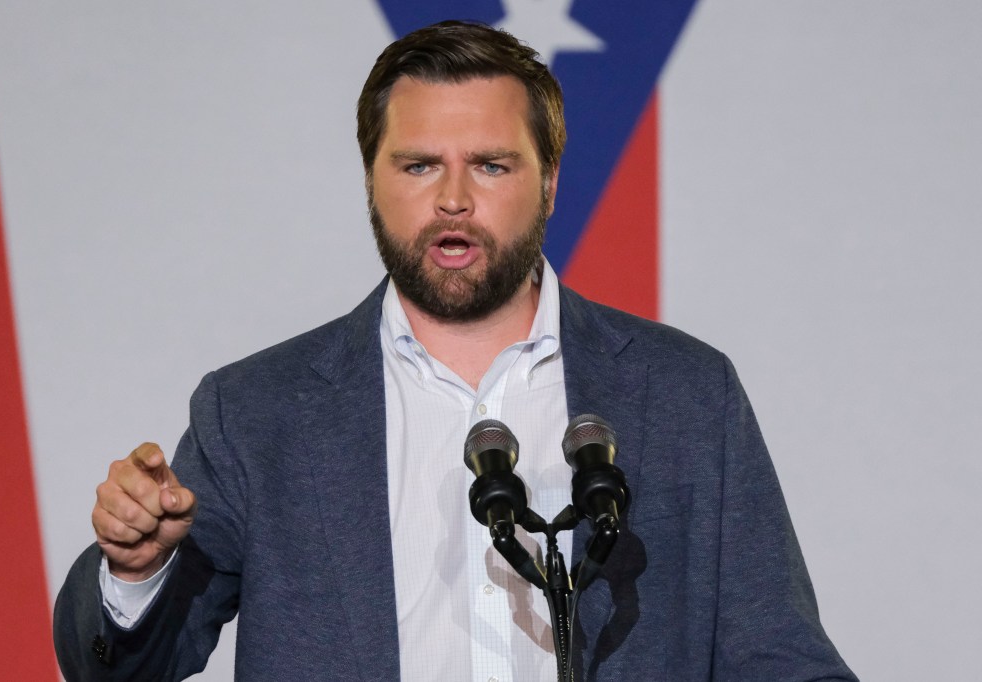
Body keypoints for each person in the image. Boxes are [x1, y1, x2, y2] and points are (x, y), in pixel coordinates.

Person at [53, 20, 857, 682]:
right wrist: (135, 573)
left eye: (491, 165)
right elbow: (123, 670)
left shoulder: (685, 394)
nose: (453, 199)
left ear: (548, 182)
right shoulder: (258, 413)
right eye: (419, 164)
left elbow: (779, 657)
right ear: (371, 179)